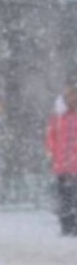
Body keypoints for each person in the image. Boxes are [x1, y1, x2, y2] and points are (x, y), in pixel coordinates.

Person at [45, 84, 77, 235]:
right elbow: (51, 136)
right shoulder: (57, 117)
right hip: (61, 165)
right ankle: (66, 226)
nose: (72, 98)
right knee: (64, 197)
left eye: (74, 95)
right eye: (69, 95)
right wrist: (51, 153)